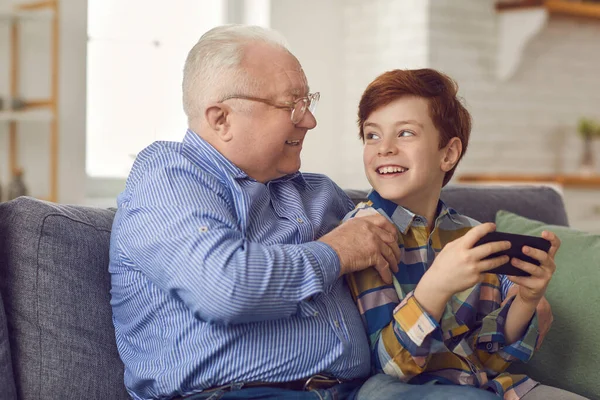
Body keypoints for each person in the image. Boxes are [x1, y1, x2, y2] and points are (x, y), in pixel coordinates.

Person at [108, 25, 549, 400]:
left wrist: (517, 291)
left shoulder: (319, 194)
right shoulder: (170, 176)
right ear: (221, 118)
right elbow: (226, 288)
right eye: (292, 104)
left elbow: (414, 234)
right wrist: (336, 251)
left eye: (309, 100)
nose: (310, 121)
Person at [344, 69, 587, 400]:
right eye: (372, 135)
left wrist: (527, 299)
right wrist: (437, 286)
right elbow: (387, 367)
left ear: (448, 154)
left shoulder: (470, 234)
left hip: (483, 386)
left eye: (404, 133)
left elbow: (489, 358)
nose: (383, 148)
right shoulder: (362, 236)